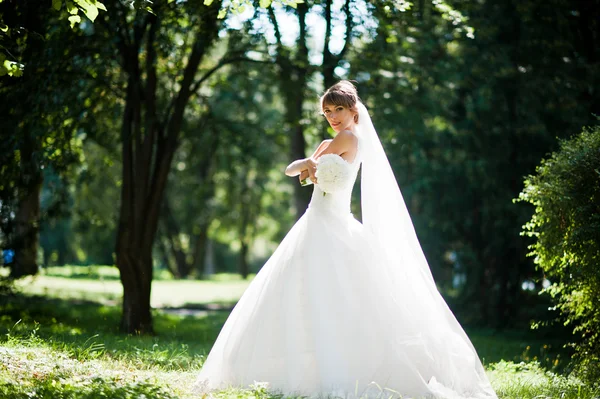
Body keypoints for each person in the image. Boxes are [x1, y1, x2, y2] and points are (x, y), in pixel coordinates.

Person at [194, 81, 498, 399]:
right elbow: (293, 170)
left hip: (330, 223)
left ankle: (333, 363)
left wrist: (311, 166)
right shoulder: (337, 140)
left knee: (324, 292)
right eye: (327, 111)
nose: (333, 116)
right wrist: (309, 164)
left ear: (354, 109)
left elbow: (309, 171)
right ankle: (313, 361)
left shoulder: (348, 138)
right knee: (316, 293)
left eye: (338, 109)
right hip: (318, 221)